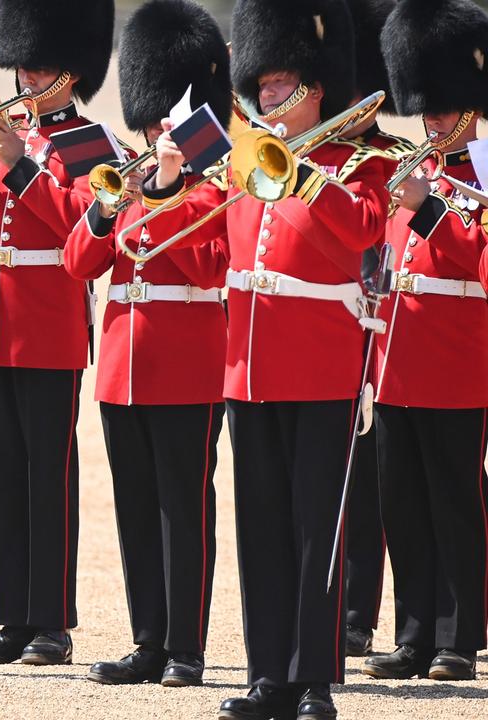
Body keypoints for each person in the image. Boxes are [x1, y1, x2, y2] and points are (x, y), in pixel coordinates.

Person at [148, 1, 391, 716]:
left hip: (320, 364)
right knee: (261, 527)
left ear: (316, 87)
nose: (264, 97)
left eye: (280, 84)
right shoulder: (243, 164)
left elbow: (360, 233)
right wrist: (165, 187)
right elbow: (206, 254)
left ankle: (315, 679)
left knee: (318, 528)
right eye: (262, 84)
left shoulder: (364, 162)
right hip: (247, 367)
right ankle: (270, 678)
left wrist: (307, 178)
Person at [0, 0, 114, 666]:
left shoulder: (91, 143)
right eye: (21, 64)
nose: (26, 76)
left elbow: (82, 223)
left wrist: (23, 162)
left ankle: (52, 622)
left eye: (39, 67)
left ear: (70, 73)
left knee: (48, 476)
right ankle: (12, 617)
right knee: (0, 474)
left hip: (49, 326)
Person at [66, 0, 229, 689]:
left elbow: (210, 266)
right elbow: (79, 263)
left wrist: (164, 191)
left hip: (186, 366)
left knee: (183, 508)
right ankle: (148, 642)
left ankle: (187, 647)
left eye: (172, 114)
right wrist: (108, 207)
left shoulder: (216, 185)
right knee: (136, 508)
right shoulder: (125, 176)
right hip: (123, 367)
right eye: (156, 113)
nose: (162, 126)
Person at [361, 0, 488, 683]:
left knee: (456, 504)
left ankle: (459, 639)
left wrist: (433, 209)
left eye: (447, 109)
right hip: (396, 363)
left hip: (460, 362)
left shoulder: (485, 172)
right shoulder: (414, 165)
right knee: (401, 505)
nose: (436, 121)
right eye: (430, 110)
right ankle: (413, 635)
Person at [336, 0, 417, 660]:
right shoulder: (316, 157)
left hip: (388, 326)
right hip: (331, 323)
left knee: (384, 477)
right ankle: (347, 612)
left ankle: (370, 612)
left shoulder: (393, 155)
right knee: (340, 480)